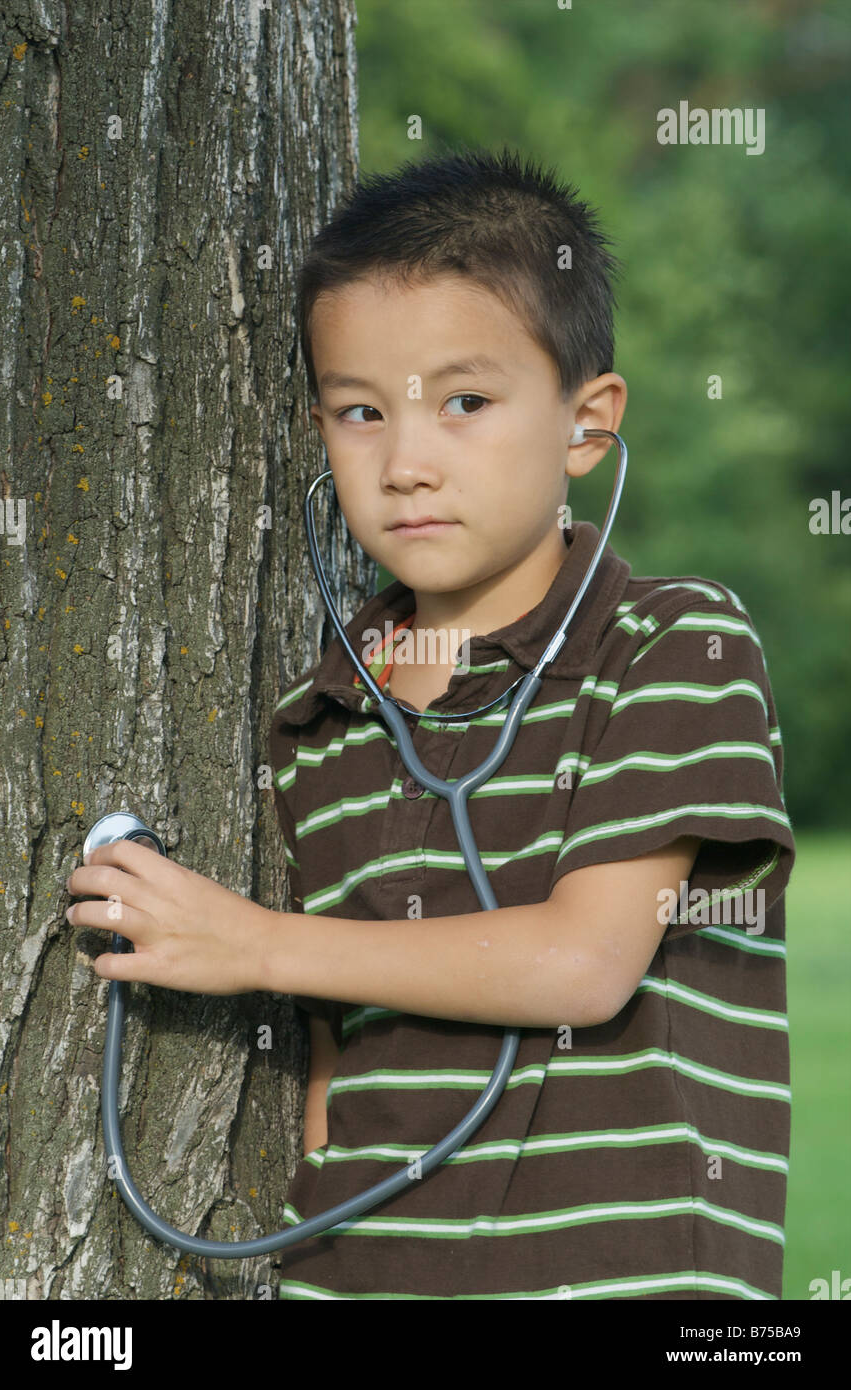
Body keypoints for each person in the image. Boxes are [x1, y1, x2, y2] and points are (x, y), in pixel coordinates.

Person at [267, 146, 796, 1300]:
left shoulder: (675, 649)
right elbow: (328, 1065)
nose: (405, 462)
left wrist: (240, 944)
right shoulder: (315, 719)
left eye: (466, 402)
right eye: (361, 412)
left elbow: (581, 963)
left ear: (587, 424)